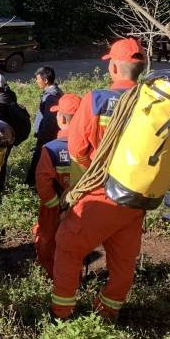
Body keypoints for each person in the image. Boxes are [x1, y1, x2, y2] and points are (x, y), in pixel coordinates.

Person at [51, 38, 146, 321]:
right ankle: (107, 313)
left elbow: (77, 148)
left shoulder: (97, 99)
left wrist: (92, 174)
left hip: (102, 193)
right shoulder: (153, 103)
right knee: (123, 261)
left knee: (68, 247)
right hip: (137, 196)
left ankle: (61, 315)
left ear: (114, 67)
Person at [32, 93, 80, 277]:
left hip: (53, 207)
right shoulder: (93, 147)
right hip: (80, 206)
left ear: (61, 118)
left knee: (47, 239)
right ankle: (72, 274)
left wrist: (54, 205)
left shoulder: (51, 148)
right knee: (75, 241)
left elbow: (43, 181)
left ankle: (50, 273)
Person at [26, 66, 63, 187]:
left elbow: (49, 120)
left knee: (38, 161)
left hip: (47, 136)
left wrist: (42, 137)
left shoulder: (51, 96)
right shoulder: (54, 92)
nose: (37, 81)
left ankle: (31, 184)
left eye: (38, 79)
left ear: (45, 80)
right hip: (47, 135)